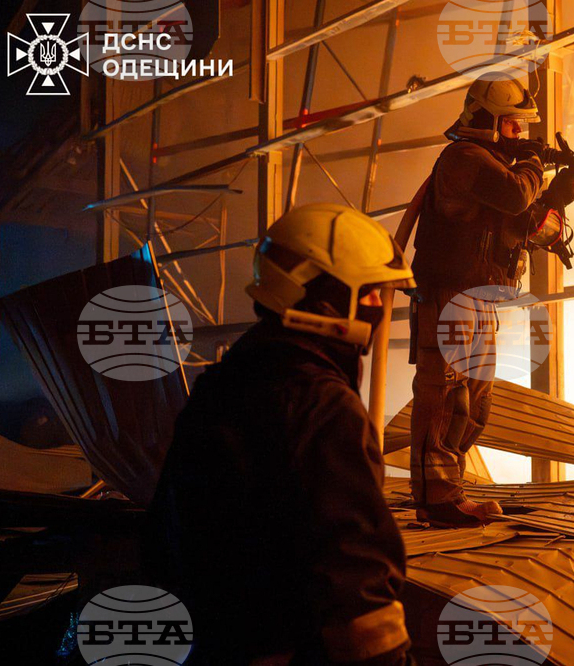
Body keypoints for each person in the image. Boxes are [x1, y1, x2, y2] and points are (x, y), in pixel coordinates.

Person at [150, 204, 416, 665]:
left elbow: (165, 540)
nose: (379, 307)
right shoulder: (321, 404)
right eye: (369, 292)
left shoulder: (222, 384)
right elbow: (357, 590)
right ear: (322, 294)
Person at [409, 77, 574, 527]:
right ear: (486, 120)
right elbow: (512, 194)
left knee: (474, 406)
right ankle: (437, 497)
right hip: (449, 296)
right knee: (444, 395)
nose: (521, 136)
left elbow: (517, 220)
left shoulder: (492, 169)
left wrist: (553, 198)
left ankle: (451, 487)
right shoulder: (463, 158)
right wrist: (531, 167)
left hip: (480, 297)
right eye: (513, 127)